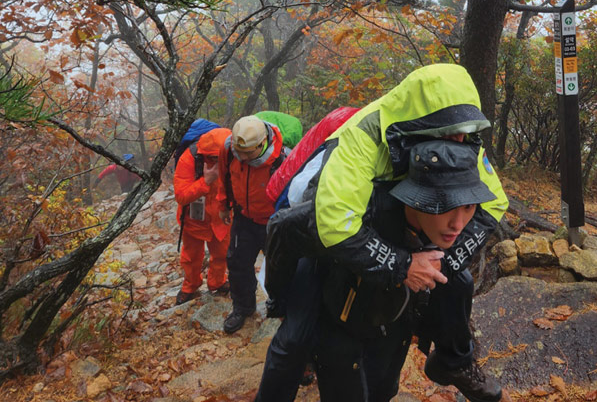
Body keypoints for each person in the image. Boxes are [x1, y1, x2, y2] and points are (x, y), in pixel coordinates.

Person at [255, 63, 508, 402]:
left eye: (464, 132)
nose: (459, 142)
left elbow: (493, 203)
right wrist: (404, 266)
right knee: (297, 338)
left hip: (394, 229)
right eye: (451, 134)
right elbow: (334, 224)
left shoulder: (458, 134)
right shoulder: (366, 134)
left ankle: (453, 360)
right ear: (422, 124)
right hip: (317, 238)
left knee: (454, 282)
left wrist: (439, 261)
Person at [218, 115, 288, 333]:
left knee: (280, 268)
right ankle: (243, 307)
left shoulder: (282, 158)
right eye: (240, 153)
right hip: (243, 218)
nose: (243, 158)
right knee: (237, 263)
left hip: (273, 222)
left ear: (262, 143)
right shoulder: (230, 150)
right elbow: (224, 176)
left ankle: (281, 306)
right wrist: (223, 204)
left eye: (248, 154)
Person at [173, 127, 231, 305]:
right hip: (193, 218)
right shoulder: (189, 159)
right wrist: (206, 181)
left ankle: (217, 282)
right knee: (191, 257)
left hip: (221, 217)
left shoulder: (232, 157)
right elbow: (181, 195)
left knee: (221, 253)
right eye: (216, 158)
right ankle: (190, 286)